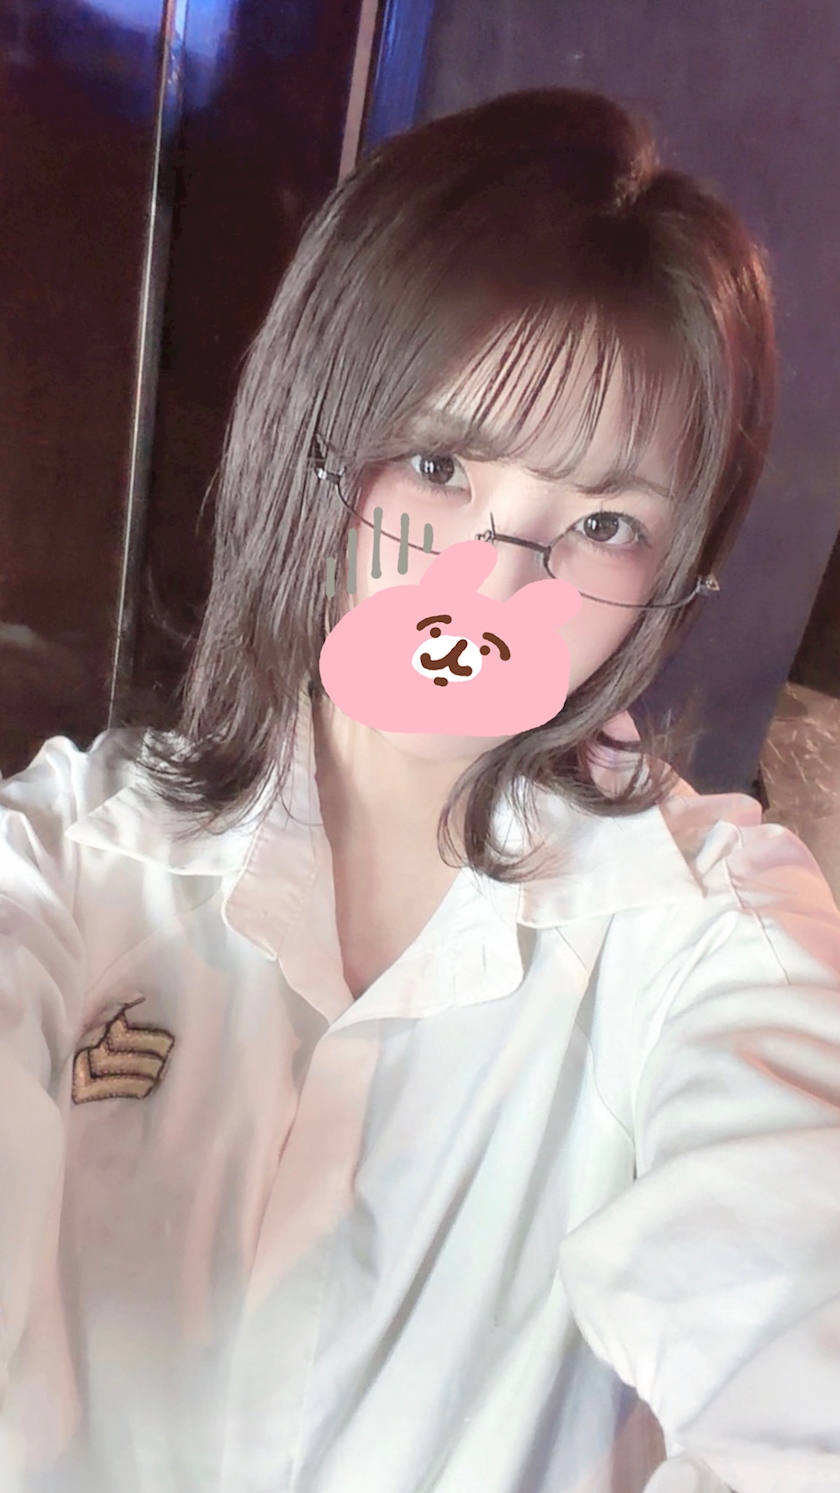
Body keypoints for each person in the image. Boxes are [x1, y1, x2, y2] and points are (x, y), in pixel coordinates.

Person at [1, 86, 839, 1493]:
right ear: (309, 436)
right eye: (440, 464)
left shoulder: (709, 932)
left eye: (604, 523)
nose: (493, 584)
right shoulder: (73, 854)